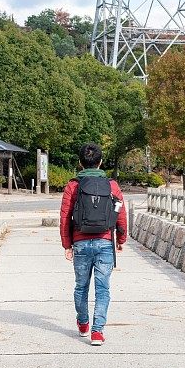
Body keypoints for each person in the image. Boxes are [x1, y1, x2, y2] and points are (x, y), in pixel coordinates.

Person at [59, 142, 127, 345]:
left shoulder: (73, 185)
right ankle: (97, 332)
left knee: (81, 286)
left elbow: (65, 217)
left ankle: (83, 323)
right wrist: (121, 239)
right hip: (105, 241)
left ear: (80, 163)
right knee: (103, 288)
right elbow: (121, 213)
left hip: (80, 243)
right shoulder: (112, 185)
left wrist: (67, 245)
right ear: (101, 162)